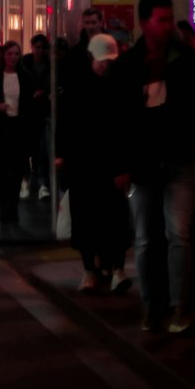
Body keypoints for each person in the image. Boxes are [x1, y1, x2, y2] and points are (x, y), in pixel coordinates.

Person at [109, 0, 195, 333]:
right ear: (145, 22)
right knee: (146, 238)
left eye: (168, 19)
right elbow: (117, 120)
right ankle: (152, 306)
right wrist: (121, 166)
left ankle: (179, 306)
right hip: (144, 163)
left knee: (178, 233)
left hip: (180, 159)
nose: (165, 25)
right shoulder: (130, 66)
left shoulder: (185, 61)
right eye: (160, 19)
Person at [56, 33, 131, 295]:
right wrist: (62, 154)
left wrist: (123, 167)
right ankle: (91, 270)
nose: (106, 65)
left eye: (109, 61)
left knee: (114, 219)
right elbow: (66, 124)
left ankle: (116, 269)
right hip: (83, 164)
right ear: (91, 58)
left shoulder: (119, 85)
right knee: (87, 219)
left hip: (108, 164)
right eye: (102, 61)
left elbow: (125, 129)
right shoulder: (78, 87)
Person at [0, 41, 33, 222]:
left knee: (18, 169)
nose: (13, 57)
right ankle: (4, 207)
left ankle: (13, 206)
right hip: (2, 127)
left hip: (19, 127)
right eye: (10, 54)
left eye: (16, 54)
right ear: (4, 56)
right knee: (3, 170)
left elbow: (29, 103)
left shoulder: (25, 77)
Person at [20, 33, 51, 201]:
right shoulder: (26, 63)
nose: (39, 51)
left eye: (41, 48)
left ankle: (40, 183)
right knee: (28, 148)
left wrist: (44, 93)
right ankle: (28, 180)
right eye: (36, 47)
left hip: (41, 111)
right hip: (29, 111)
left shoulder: (48, 65)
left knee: (41, 150)